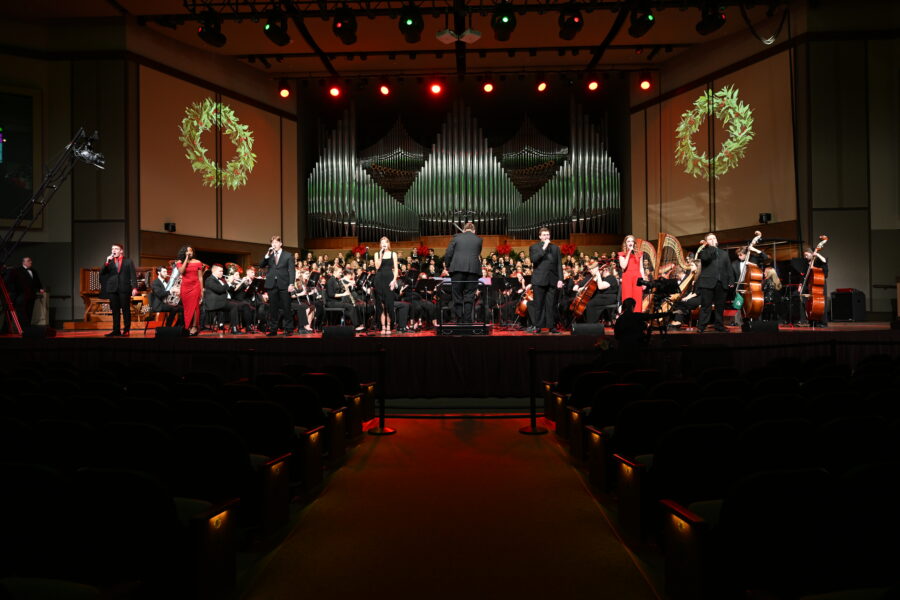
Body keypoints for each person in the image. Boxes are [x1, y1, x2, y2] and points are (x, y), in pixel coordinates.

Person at [444, 222, 483, 324]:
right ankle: (468, 321)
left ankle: (459, 320)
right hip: (473, 271)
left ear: (464, 229)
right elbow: (477, 254)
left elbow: (448, 253)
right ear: (474, 231)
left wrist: (448, 266)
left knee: (457, 296)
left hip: (457, 269)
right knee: (469, 296)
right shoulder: (479, 240)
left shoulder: (456, 237)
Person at [695, 233, 735, 333]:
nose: (713, 239)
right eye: (710, 239)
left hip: (721, 283)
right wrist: (711, 247)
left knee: (720, 307)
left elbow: (728, 267)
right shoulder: (704, 252)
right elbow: (705, 259)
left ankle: (719, 325)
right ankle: (701, 326)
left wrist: (731, 280)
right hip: (707, 282)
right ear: (707, 241)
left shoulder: (724, 253)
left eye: (714, 238)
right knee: (706, 306)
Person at [528, 227, 564, 334]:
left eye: (547, 234)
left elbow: (559, 264)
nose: (546, 236)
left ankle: (551, 326)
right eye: (544, 235)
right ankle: (538, 326)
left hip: (552, 280)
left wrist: (560, 279)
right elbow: (534, 260)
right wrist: (544, 247)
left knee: (551, 305)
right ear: (540, 237)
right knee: (538, 304)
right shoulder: (534, 247)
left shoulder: (556, 248)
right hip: (539, 280)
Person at [259, 235, 296, 337]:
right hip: (272, 284)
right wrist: (267, 255)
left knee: (286, 307)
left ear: (280, 244)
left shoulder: (288, 255)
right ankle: (273, 329)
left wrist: (291, 283)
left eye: (276, 242)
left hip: (284, 284)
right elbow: (261, 265)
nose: (274, 244)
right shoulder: (269, 255)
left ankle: (289, 329)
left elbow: (292, 271)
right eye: (272, 243)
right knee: (273, 308)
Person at [100, 243, 138, 337]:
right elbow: (102, 273)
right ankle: (116, 330)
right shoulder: (110, 262)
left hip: (124, 288)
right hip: (113, 289)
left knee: (125, 310)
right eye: (112, 249)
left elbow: (133, 275)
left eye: (116, 249)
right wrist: (106, 262)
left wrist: (134, 287)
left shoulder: (128, 261)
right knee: (115, 310)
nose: (114, 251)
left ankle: (126, 330)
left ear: (121, 251)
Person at [169, 245, 204, 336]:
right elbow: (181, 271)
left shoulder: (198, 262)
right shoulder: (179, 262)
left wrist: (202, 290)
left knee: (195, 307)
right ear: (184, 252)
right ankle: (187, 326)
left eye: (191, 251)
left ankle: (194, 327)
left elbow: (200, 277)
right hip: (185, 287)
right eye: (188, 251)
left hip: (195, 286)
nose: (190, 252)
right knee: (187, 308)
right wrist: (186, 259)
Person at [5, 257, 44, 327]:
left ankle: (28, 328)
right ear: (23, 262)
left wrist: (40, 289)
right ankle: (24, 328)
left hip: (31, 295)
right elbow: (11, 282)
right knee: (22, 312)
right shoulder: (17, 270)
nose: (30, 262)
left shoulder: (33, 271)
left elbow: (36, 282)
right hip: (21, 295)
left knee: (30, 311)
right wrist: (13, 291)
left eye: (30, 261)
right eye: (28, 261)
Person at [203, 264, 240, 334]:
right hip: (214, 303)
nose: (222, 273)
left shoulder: (221, 280)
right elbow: (219, 290)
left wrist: (232, 283)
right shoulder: (209, 279)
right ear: (213, 271)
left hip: (221, 301)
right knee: (233, 305)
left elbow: (228, 289)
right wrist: (229, 282)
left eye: (222, 271)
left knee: (236, 304)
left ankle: (234, 326)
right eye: (220, 271)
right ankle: (234, 328)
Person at [325, 266, 364, 330]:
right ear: (334, 272)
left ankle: (359, 323)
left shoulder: (336, 280)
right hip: (331, 302)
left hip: (337, 301)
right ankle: (356, 326)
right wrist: (343, 294)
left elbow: (341, 288)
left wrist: (348, 285)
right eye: (340, 272)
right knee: (350, 306)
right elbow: (331, 294)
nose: (341, 274)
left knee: (352, 306)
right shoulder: (330, 281)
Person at [373, 236, 399, 334]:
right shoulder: (377, 254)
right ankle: (382, 326)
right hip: (379, 280)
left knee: (388, 305)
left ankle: (389, 326)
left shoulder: (393, 254)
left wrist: (394, 280)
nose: (384, 244)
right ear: (380, 245)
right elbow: (377, 266)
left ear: (388, 244)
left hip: (389, 280)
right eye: (382, 243)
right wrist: (380, 254)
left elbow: (396, 268)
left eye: (385, 243)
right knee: (381, 305)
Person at [617, 235, 645, 312]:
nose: (630, 243)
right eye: (628, 241)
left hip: (637, 277)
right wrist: (629, 252)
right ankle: (627, 318)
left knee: (637, 298)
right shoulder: (622, 254)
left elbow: (641, 268)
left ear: (634, 243)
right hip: (627, 277)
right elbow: (623, 266)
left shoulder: (639, 254)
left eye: (632, 241)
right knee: (627, 298)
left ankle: (637, 318)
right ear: (625, 243)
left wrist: (643, 282)